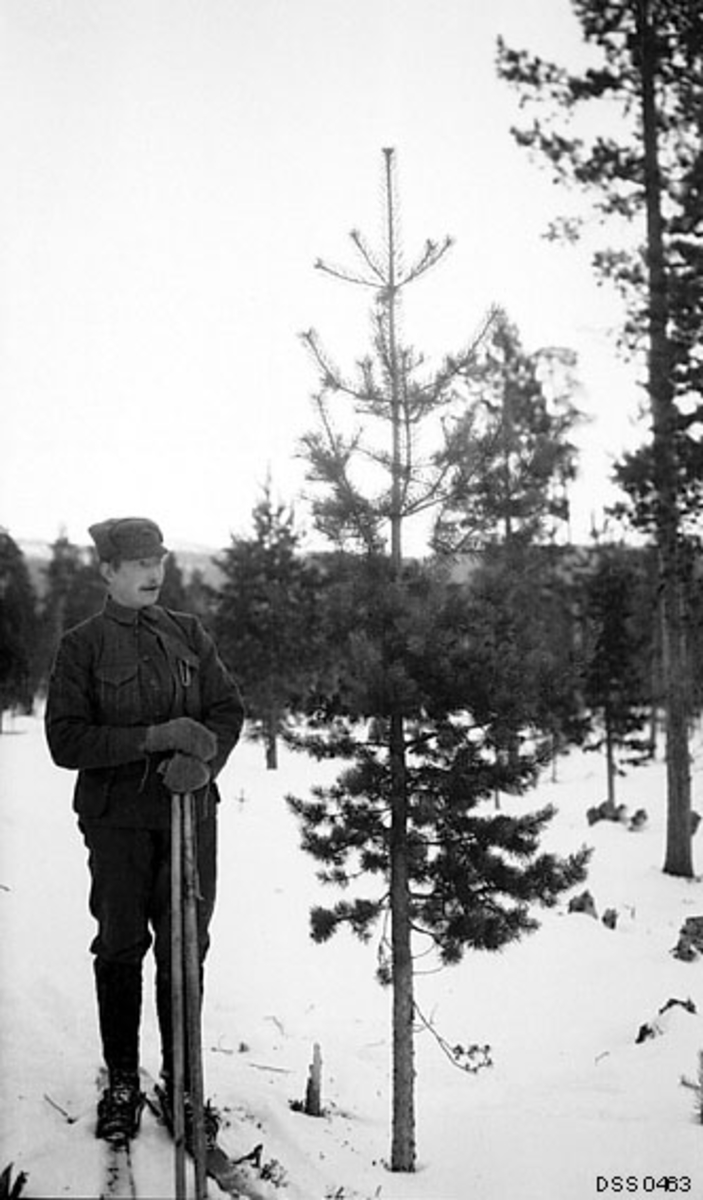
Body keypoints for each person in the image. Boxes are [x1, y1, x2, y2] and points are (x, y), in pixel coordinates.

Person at [45, 517, 244, 1143]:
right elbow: (65, 739)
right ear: (106, 570)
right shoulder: (84, 645)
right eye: (136, 563)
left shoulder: (188, 635)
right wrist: (155, 739)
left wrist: (204, 759)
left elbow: (226, 708)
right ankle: (124, 1080)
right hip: (117, 823)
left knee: (186, 946)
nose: (152, 572)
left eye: (157, 559)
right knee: (121, 944)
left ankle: (183, 1084)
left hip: (189, 818)